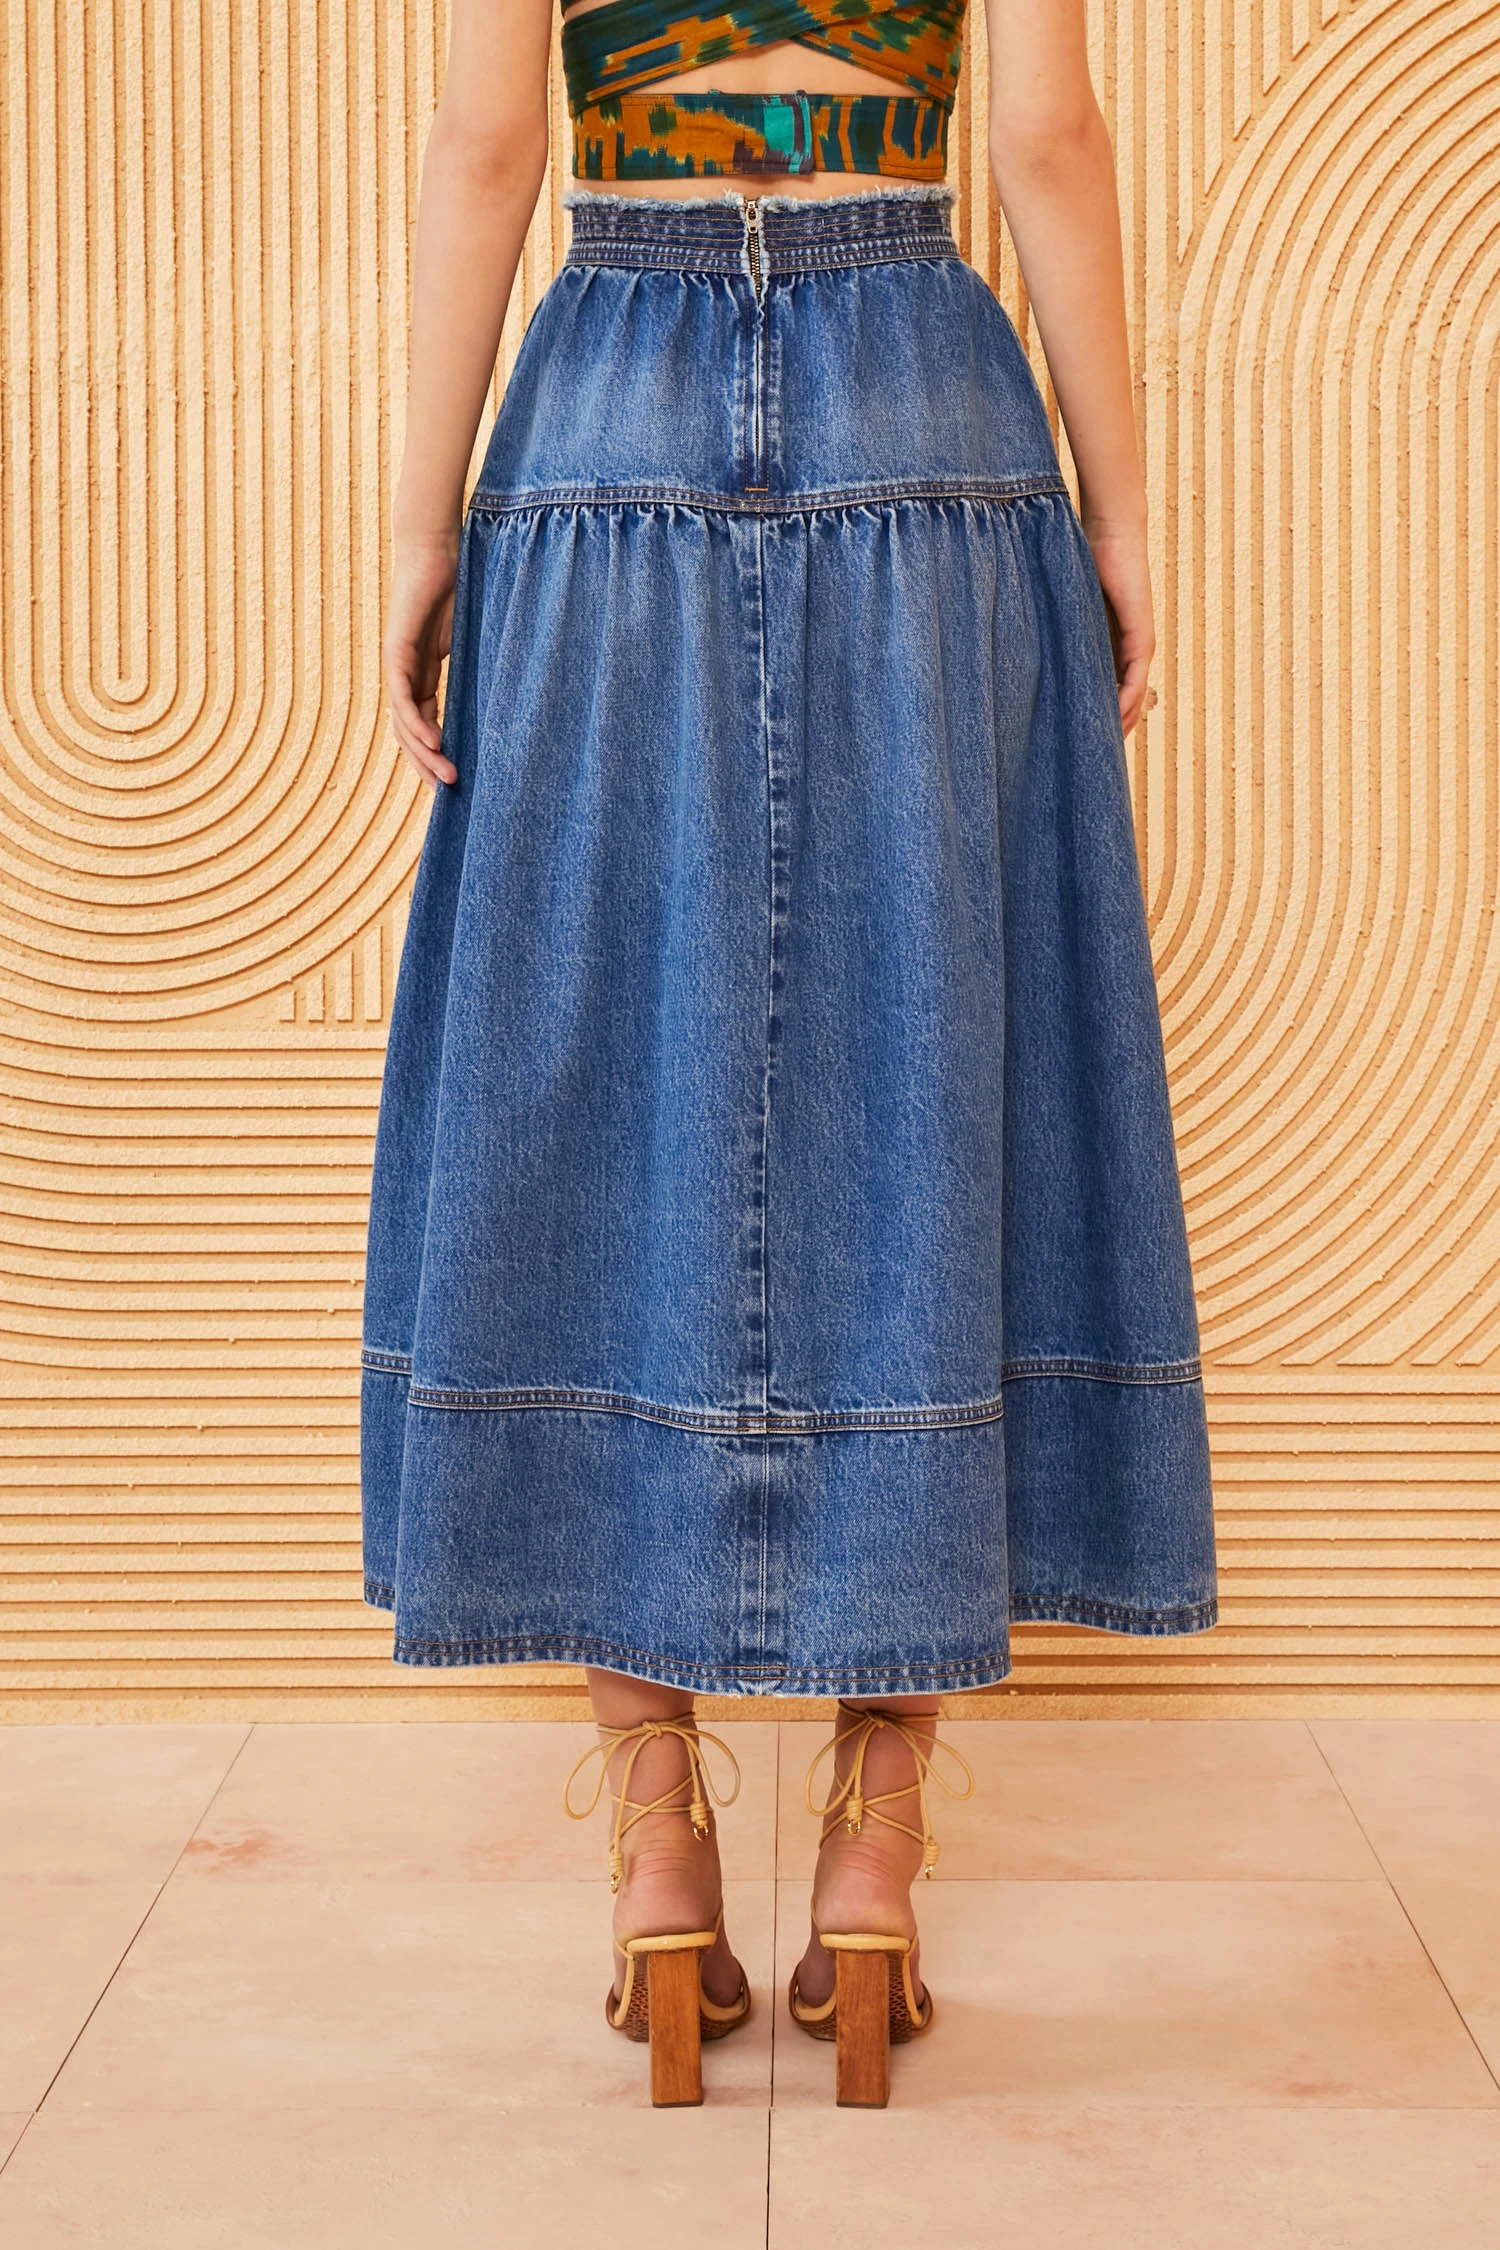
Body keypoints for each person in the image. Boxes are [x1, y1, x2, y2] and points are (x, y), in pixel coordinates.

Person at [362, 0, 1219, 2109]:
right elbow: (1047, 137)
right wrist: (1122, 513)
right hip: (923, 393)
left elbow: (487, 154)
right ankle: (874, 1852)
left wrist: (419, 530)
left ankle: (660, 1844)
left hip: (607, 417)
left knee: (592, 1074)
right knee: (935, 1063)